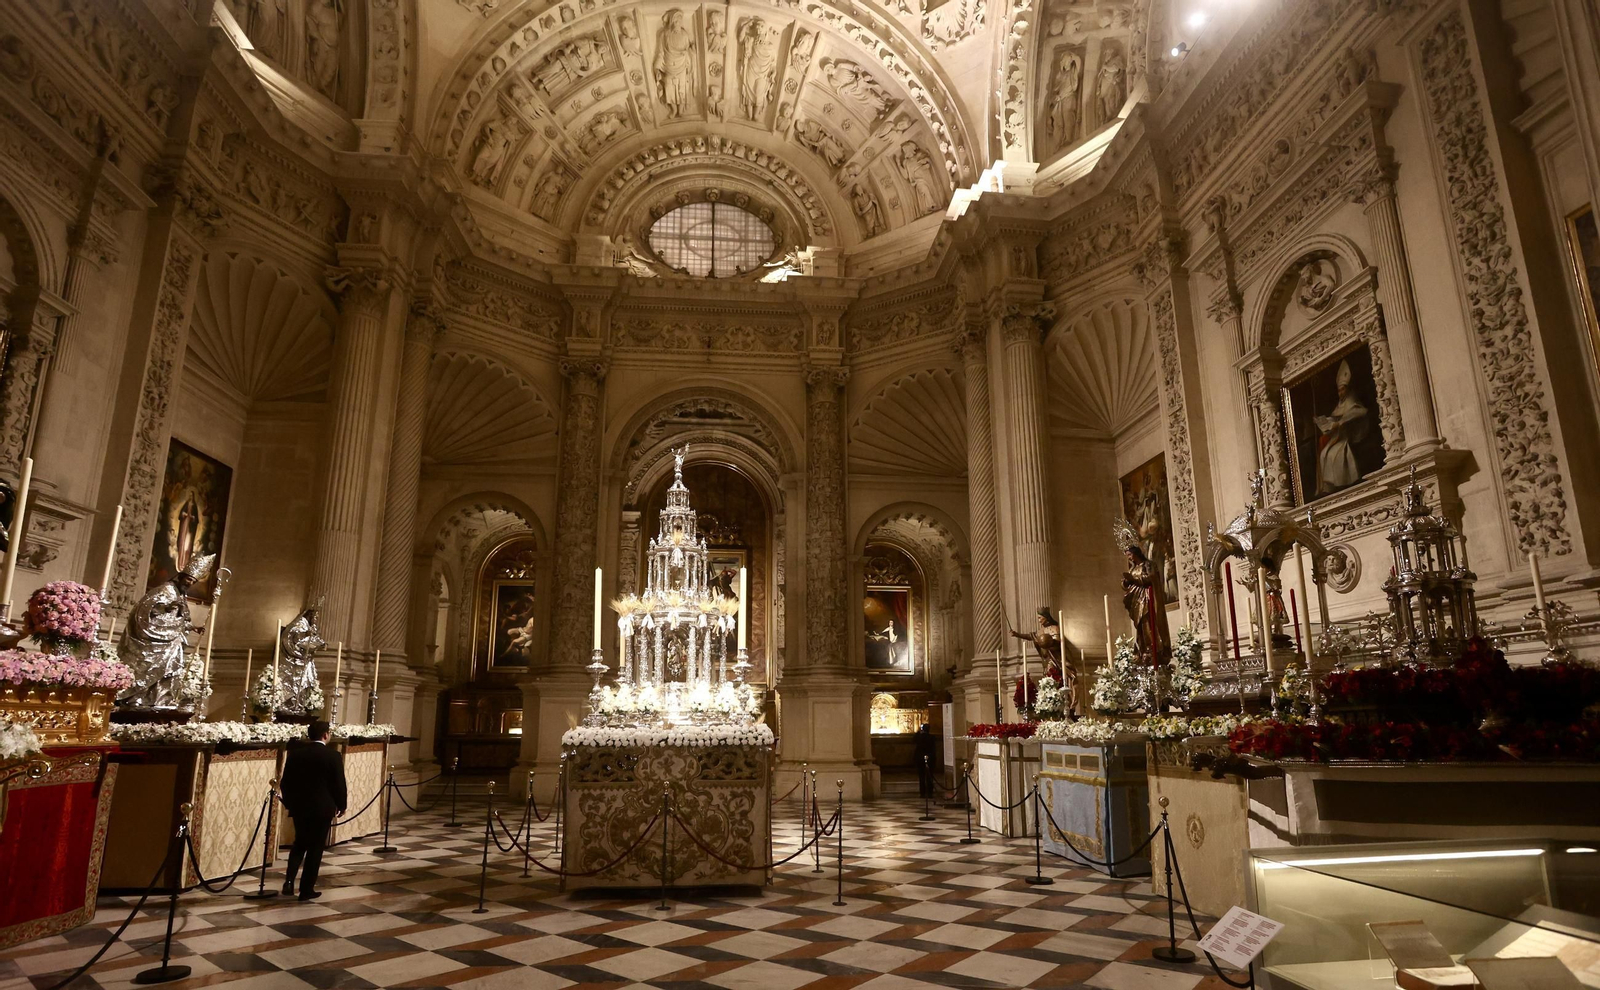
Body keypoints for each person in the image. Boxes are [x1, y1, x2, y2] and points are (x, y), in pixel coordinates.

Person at [279, 719, 347, 901]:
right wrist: (342, 804)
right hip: (323, 808)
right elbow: (338, 784)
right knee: (316, 848)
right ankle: (306, 889)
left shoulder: (295, 754)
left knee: (299, 844)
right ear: (325, 735)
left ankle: (289, 881)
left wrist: (289, 803)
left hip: (300, 807)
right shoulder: (333, 756)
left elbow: (285, 783)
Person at [913, 723, 936, 799]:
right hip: (930, 758)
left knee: (921, 777)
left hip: (920, 759)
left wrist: (918, 732)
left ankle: (922, 793)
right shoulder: (932, 737)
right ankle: (930, 793)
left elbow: (913, 740)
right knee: (929, 776)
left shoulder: (919, 737)